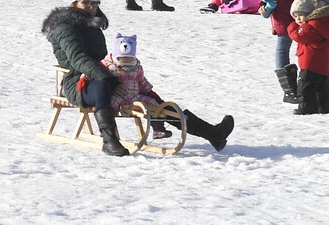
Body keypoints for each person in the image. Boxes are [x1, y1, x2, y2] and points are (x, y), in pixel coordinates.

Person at [41, 0, 128, 156]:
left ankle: (200, 129)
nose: (91, 7)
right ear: (75, 3)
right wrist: (108, 78)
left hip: (96, 75)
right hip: (75, 81)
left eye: (94, 4)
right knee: (102, 87)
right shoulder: (64, 27)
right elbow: (78, 58)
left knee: (135, 80)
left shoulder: (92, 25)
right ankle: (109, 140)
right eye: (86, 3)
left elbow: (101, 57)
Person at [101, 33, 235, 150]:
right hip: (118, 101)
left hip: (137, 97)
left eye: (129, 59)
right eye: (123, 59)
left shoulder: (136, 67)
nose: (126, 61)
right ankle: (213, 134)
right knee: (165, 109)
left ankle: (213, 134)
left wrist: (153, 95)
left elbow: (142, 83)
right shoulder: (106, 66)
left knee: (168, 108)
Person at [288, 0, 329, 115]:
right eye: (295, 17)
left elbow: (297, 36)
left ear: (310, 13)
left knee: (306, 87)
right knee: (322, 87)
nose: (298, 19)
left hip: (309, 64)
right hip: (322, 65)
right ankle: (323, 107)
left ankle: (307, 107)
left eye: (301, 15)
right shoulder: (323, 23)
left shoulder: (310, 26)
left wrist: (292, 26)